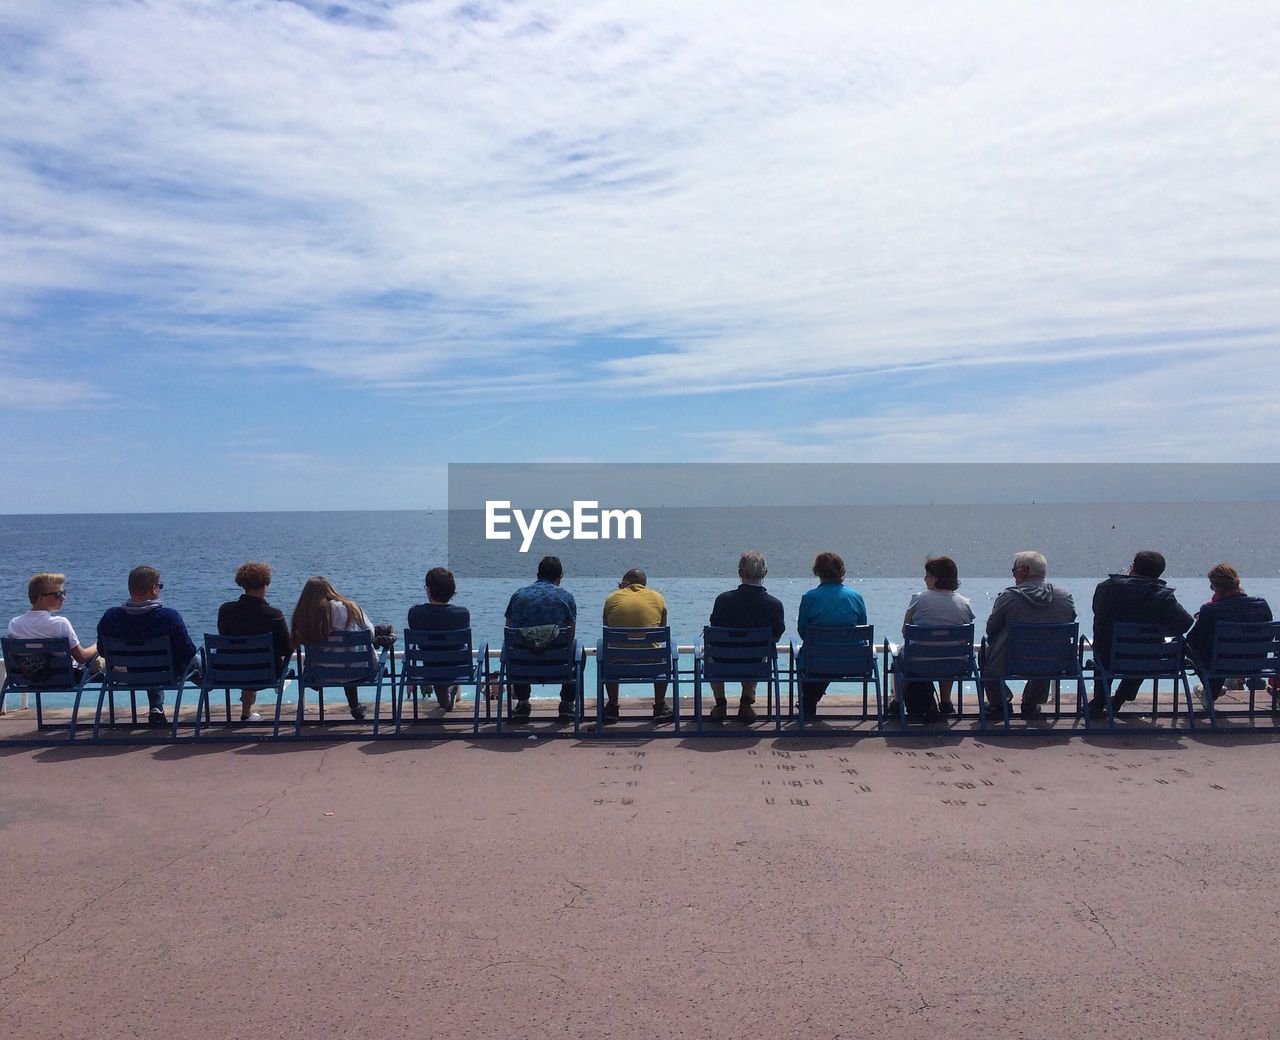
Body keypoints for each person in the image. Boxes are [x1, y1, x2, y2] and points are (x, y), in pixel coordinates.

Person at [1085, 550, 1193, 718]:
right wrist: (1159, 628)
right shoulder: (1163, 596)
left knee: (1105, 644)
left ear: (1133, 567)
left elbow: (1099, 617)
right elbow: (1184, 623)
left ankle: (1099, 700)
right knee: (1143, 648)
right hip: (1149, 660)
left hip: (1108, 658)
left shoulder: (1106, 588)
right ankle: (1119, 699)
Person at [97, 566, 199, 726]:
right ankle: (215, 683)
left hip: (129, 674)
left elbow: (102, 651)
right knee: (196, 661)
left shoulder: (111, 616)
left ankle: (156, 708)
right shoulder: (169, 617)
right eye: (159, 586)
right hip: (166, 673)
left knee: (149, 664)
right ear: (153, 589)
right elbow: (187, 652)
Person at [983, 551, 1076, 719]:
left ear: (1024, 570)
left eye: (1014, 570)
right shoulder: (1064, 597)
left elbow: (991, 630)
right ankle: (1031, 703)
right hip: (1054, 661)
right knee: (1048, 645)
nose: (1013, 575)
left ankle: (999, 703)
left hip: (1013, 662)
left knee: (986, 651)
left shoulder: (1008, 597)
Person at [708, 550, 785, 726]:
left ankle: (720, 704)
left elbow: (714, 630)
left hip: (722, 662)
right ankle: (746, 703)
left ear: (740, 573)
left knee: (710, 653)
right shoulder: (774, 605)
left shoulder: (723, 600)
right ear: (765, 573)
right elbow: (777, 635)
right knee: (759, 651)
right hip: (755, 663)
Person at [894, 556, 975, 719]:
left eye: (928, 575)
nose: (924, 578)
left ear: (937, 578)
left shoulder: (918, 599)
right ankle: (945, 702)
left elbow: (905, 631)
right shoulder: (964, 603)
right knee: (946, 653)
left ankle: (897, 702)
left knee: (898, 656)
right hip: (955, 662)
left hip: (918, 663)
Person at [5, 573, 102, 704]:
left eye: (64, 592)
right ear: (40, 599)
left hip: (27, 679)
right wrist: (99, 644)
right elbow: (82, 657)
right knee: (104, 660)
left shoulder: (14, 624)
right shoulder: (60, 623)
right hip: (64, 678)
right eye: (58, 594)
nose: (63, 597)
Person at [1185, 563, 1273, 706]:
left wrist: (1203, 621)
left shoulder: (1210, 610)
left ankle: (1211, 689)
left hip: (1220, 666)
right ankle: (1220, 686)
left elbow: (1192, 641)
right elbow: (1268, 636)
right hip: (1255, 664)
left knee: (1192, 648)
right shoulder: (1261, 605)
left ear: (1216, 587)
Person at [290, 576, 376, 721]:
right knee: (346, 657)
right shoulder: (349, 607)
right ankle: (355, 707)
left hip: (320, 675)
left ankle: (355, 707)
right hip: (358, 672)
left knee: (338, 658)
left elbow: (295, 642)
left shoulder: (304, 615)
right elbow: (371, 634)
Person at [504, 556, 578, 721]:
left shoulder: (518, 596)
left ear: (537, 574)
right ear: (560, 578)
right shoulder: (566, 597)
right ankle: (566, 703)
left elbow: (509, 630)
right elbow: (570, 636)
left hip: (523, 667)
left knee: (514, 645)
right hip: (557, 667)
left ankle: (523, 702)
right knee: (579, 652)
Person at [216, 562, 292, 722]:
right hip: (266, 674)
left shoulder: (225, 611)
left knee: (246, 656)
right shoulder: (273, 614)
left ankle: (246, 714)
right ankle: (281, 683)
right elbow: (286, 649)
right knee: (260, 660)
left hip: (231, 672)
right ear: (265, 585)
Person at [795, 552, 866, 720]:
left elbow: (802, 631)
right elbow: (861, 626)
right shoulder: (856, 597)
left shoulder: (809, 597)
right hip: (851, 661)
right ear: (841, 571)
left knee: (816, 654)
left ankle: (808, 703)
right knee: (830, 653)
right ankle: (809, 702)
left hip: (817, 662)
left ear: (817, 572)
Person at [601, 568, 671, 721]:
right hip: (652, 664)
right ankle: (659, 706)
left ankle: (612, 706)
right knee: (663, 653)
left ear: (626, 583)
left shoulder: (612, 599)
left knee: (606, 650)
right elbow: (661, 630)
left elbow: (607, 630)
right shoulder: (658, 598)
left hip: (617, 665)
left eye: (620, 584)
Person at [407, 566, 471, 711]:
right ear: (452, 591)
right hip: (456, 669)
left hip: (429, 669)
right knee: (445, 656)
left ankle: (446, 701)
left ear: (429, 590)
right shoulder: (462, 614)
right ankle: (449, 697)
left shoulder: (415, 613)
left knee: (436, 658)